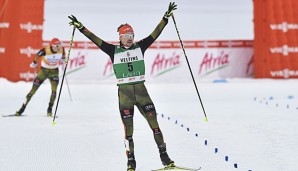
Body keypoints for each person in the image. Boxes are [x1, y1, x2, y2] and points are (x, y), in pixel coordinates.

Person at [68, 2, 177, 171]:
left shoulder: (140, 46)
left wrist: (165, 18)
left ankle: (164, 156)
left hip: (142, 93)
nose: (130, 37)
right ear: (120, 37)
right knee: (129, 131)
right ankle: (131, 162)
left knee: (154, 124)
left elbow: (155, 33)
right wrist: (81, 27)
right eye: (127, 35)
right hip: (125, 96)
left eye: (132, 34)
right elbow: (95, 39)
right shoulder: (113, 51)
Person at [15, 38, 66, 117]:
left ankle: (49, 110)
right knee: (32, 91)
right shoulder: (46, 50)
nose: (58, 47)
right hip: (43, 72)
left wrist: (63, 59)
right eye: (56, 46)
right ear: (52, 46)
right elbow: (37, 56)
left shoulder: (62, 49)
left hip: (54, 72)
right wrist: (34, 63)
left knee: (54, 92)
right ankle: (21, 109)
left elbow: (63, 55)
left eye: (59, 45)